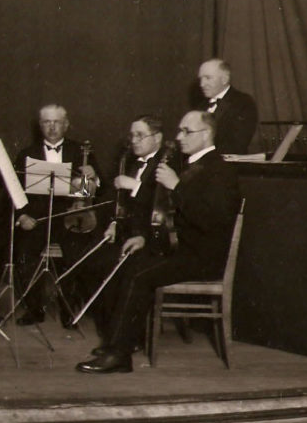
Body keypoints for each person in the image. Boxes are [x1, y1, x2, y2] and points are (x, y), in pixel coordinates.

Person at [76, 110, 241, 374]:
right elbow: (166, 213)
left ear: (206, 134)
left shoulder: (219, 170)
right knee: (127, 263)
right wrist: (144, 236)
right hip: (178, 250)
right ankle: (121, 343)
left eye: (187, 131)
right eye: (180, 130)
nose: (179, 136)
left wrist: (176, 187)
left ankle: (119, 354)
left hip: (201, 256)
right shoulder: (189, 165)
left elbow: (212, 220)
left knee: (138, 273)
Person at [85, 115, 173, 345]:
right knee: (97, 263)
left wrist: (134, 186)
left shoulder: (167, 164)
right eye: (132, 135)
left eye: (140, 135)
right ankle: (111, 337)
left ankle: (127, 340)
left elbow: (163, 205)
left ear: (157, 138)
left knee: (122, 270)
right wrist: (115, 223)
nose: (133, 141)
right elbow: (121, 205)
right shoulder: (133, 163)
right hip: (131, 235)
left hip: (154, 240)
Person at [13, 104, 103, 327]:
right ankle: (34, 309)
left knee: (76, 253)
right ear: (40, 125)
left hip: (70, 218)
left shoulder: (81, 151)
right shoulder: (26, 154)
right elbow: (15, 190)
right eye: (46, 122)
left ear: (66, 125)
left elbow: (92, 190)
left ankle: (68, 309)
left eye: (57, 122)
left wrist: (93, 177)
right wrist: (22, 216)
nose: (52, 127)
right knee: (24, 252)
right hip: (38, 219)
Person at [197, 58, 258, 154]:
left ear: (224, 79)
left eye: (208, 78)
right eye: (200, 79)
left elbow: (237, 145)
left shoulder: (243, 102)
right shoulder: (201, 106)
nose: (202, 84)